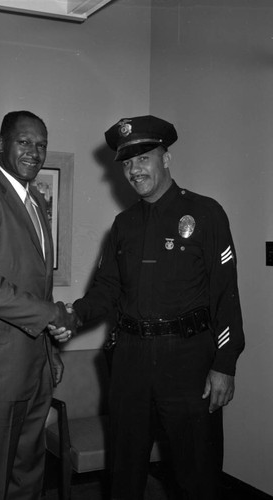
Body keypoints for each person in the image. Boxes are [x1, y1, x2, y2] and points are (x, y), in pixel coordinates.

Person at [54, 115, 245, 499]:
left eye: (143, 158)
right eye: (126, 163)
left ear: (166, 159)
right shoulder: (123, 225)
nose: (134, 170)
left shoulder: (206, 214)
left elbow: (226, 295)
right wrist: (75, 315)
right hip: (131, 360)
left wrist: (225, 364)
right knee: (125, 472)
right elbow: (106, 290)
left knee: (197, 474)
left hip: (189, 360)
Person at [0, 110, 77, 500]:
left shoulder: (35, 200)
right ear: (1, 145)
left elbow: (34, 285)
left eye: (41, 145)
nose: (35, 152)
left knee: (27, 477)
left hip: (33, 368)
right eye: (25, 142)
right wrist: (51, 315)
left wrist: (49, 349)